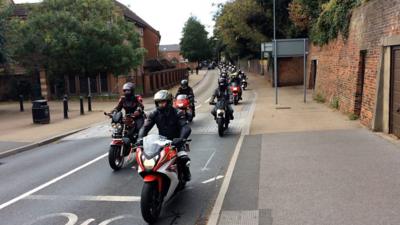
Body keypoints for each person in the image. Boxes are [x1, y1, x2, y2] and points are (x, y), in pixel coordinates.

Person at [138, 90, 192, 181]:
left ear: (169, 102)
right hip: (162, 141)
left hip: (177, 141)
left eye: (163, 102)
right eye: (158, 102)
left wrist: (181, 139)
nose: (160, 104)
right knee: (153, 159)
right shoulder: (154, 114)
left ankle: (186, 173)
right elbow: (145, 127)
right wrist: (140, 139)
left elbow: (185, 127)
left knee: (183, 158)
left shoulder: (177, 112)